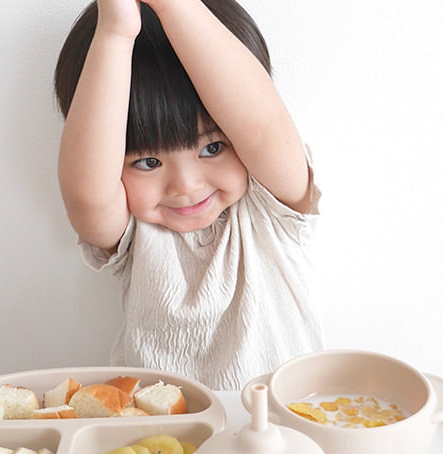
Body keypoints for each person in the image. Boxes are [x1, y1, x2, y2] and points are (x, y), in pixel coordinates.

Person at [54, 0, 324, 390]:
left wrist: (173, 5)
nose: (186, 185)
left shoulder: (272, 208)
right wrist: (115, 31)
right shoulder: (134, 232)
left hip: (283, 432)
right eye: (147, 162)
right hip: (162, 440)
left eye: (213, 148)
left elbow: (262, 125)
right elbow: (87, 196)